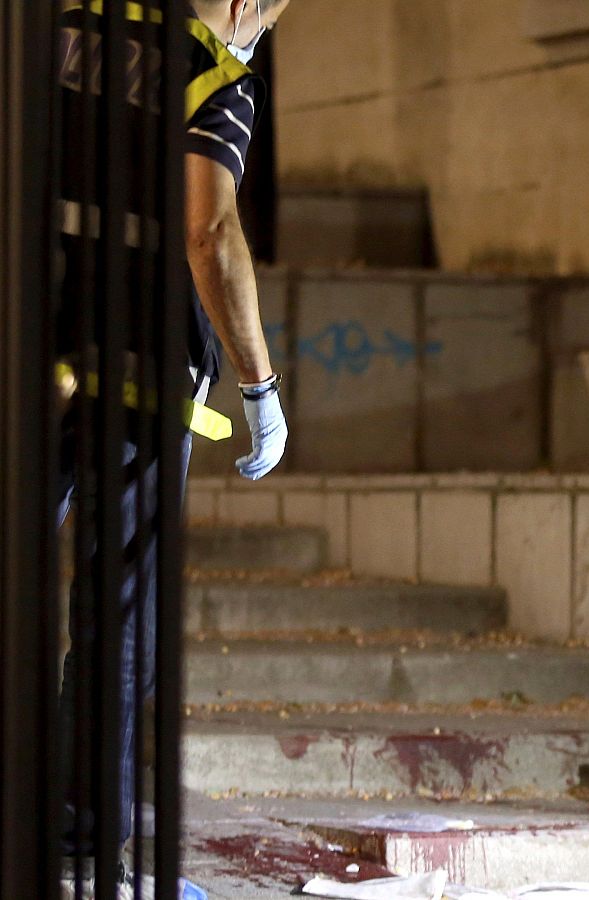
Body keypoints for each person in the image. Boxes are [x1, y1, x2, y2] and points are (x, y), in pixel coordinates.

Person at [55, 0, 291, 893]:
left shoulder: (62, 29)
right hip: (135, 378)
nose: (268, 27)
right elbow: (210, 232)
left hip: (34, 356)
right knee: (120, 625)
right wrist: (260, 386)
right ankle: (84, 852)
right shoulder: (211, 77)